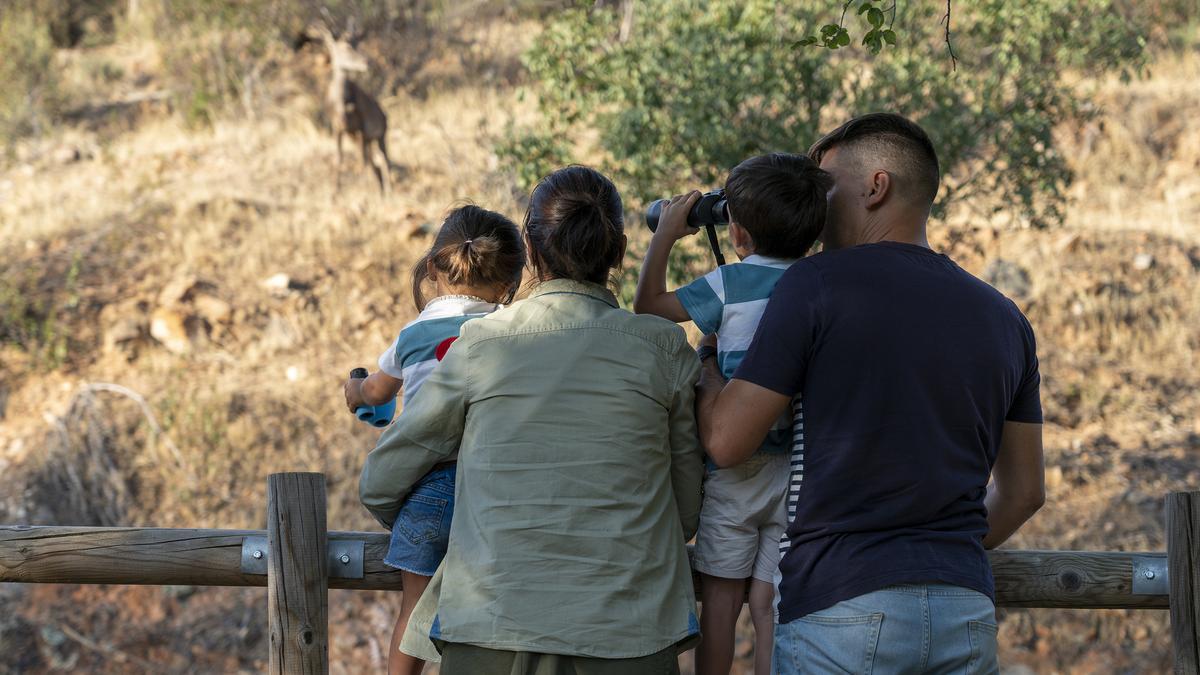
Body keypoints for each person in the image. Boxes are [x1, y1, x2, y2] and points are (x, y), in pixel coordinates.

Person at [694, 113, 1046, 673]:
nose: (812, 203)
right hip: (966, 608)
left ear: (875, 187)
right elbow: (1025, 493)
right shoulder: (1006, 318)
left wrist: (710, 360)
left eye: (824, 185)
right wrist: (941, 557)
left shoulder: (813, 285)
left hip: (841, 605)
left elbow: (727, 440)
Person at [360, 166, 705, 675]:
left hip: (491, 628)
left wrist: (436, 523)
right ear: (619, 251)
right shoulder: (664, 349)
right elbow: (686, 509)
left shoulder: (482, 345)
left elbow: (382, 478)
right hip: (630, 632)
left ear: (530, 247)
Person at [633, 153, 832, 675]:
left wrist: (666, 237)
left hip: (733, 473)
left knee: (720, 608)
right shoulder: (819, 282)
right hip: (796, 473)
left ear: (736, 232)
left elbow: (649, 306)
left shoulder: (732, 283)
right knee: (770, 608)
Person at [342, 204, 524, 675]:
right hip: (496, 492)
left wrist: (355, 389)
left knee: (414, 612)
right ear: (509, 284)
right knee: (483, 620)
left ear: (432, 270)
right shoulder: (509, 332)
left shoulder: (413, 333)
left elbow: (377, 392)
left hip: (427, 491)